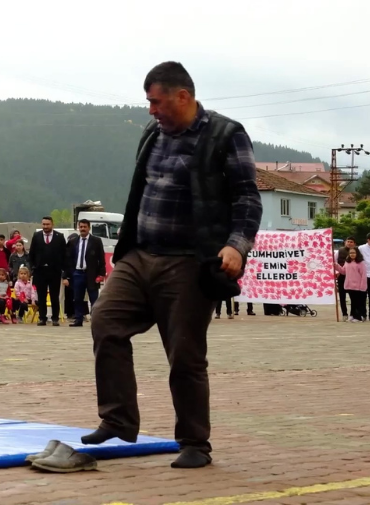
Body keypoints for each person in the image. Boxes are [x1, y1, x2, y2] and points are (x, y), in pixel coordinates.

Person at [79, 62, 262, 471]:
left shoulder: (225, 134)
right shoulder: (152, 135)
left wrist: (237, 246)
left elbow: (247, 198)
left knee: (185, 355)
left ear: (183, 96)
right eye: (148, 102)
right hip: (139, 254)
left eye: (155, 101)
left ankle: (195, 442)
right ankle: (118, 419)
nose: (151, 110)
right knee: (105, 322)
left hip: (189, 261)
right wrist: (124, 252)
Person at [64, 219, 106, 326]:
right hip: (77, 273)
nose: (82, 229)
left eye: (84, 227)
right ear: (78, 228)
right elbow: (68, 258)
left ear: (89, 228)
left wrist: (101, 274)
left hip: (91, 274)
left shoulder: (96, 241)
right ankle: (78, 319)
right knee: (77, 298)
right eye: (81, 227)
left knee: (94, 298)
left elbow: (101, 258)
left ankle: (96, 320)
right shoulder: (73, 241)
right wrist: (69, 273)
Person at [28, 217, 66, 326]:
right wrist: (33, 267)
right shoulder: (37, 236)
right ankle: (42, 318)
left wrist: (63, 270)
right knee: (41, 296)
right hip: (40, 271)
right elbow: (32, 253)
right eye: (44, 224)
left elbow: (64, 254)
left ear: (52, 224)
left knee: (55, 296)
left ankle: (55, 318)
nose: (45, 226)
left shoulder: (59, 237)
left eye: (47, 224)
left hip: (54, 271)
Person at [334, 247, 367, 322]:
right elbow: (343, 271)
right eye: (351, 253)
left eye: (354, 253)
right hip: (350, 285)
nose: (352, 254)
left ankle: (359, 317)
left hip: (358, 286)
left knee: (358, 302)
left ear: (357, 253)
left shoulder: (361, 263)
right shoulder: (347, 262)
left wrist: (363, 287)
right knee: (353, 301)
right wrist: (336, 266)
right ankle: (353, 315)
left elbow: (363, 275)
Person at [336, 236, 356, 319]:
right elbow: (334, 261)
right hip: (342, 276)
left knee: (353, 296)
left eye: (351, 242)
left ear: (354, 244)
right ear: (345, 242)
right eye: (348, 241)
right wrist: (337, 272)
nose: (349, 243)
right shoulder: (339, 251)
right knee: (342, 296)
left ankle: (353, 314)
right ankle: (344, 313)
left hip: (353, 277)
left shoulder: (357, 252)